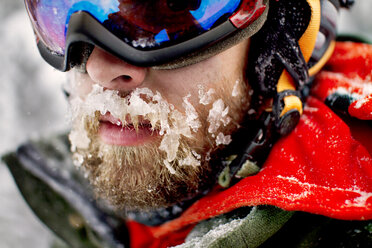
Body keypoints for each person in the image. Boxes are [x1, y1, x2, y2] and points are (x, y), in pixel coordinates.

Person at [3, 0, 372, 247]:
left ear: (276, 49)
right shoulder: (80, 214)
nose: (99, 68)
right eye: (62, 8)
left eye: (170, 12)